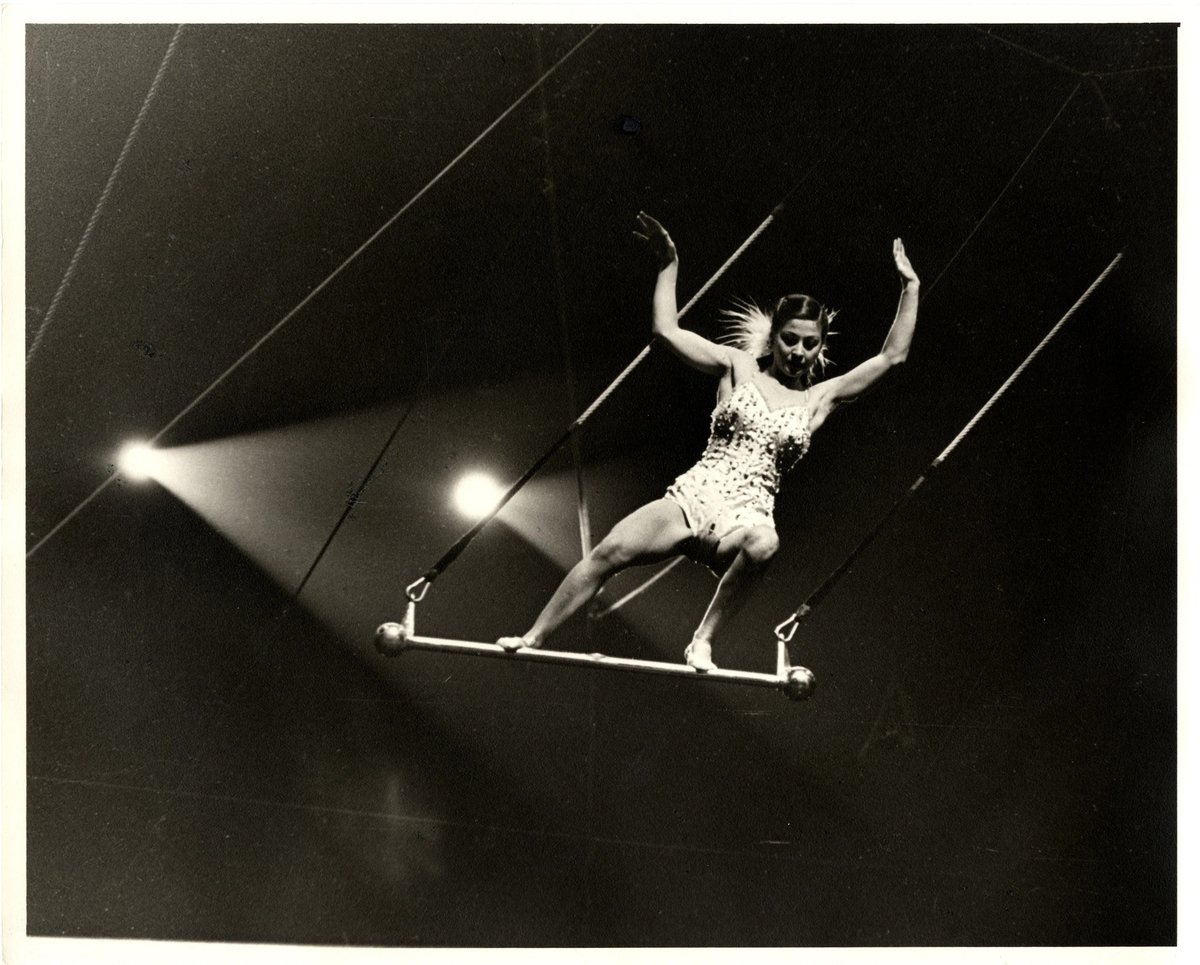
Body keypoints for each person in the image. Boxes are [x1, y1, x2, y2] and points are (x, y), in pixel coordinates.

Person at [498, 211, 920, 671]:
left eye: (809, 344)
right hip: (693, 497)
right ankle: (535, 636)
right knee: (610, 551)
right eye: (790, 339)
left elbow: (892, 358)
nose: (798, 353)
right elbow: (666, 332)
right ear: (774, 336)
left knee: (765, 545)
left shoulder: (820, 398)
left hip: (745, 515)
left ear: (820, 347)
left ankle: (702, 640)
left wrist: (910, 288)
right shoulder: (736, 366)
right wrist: (669, 265)